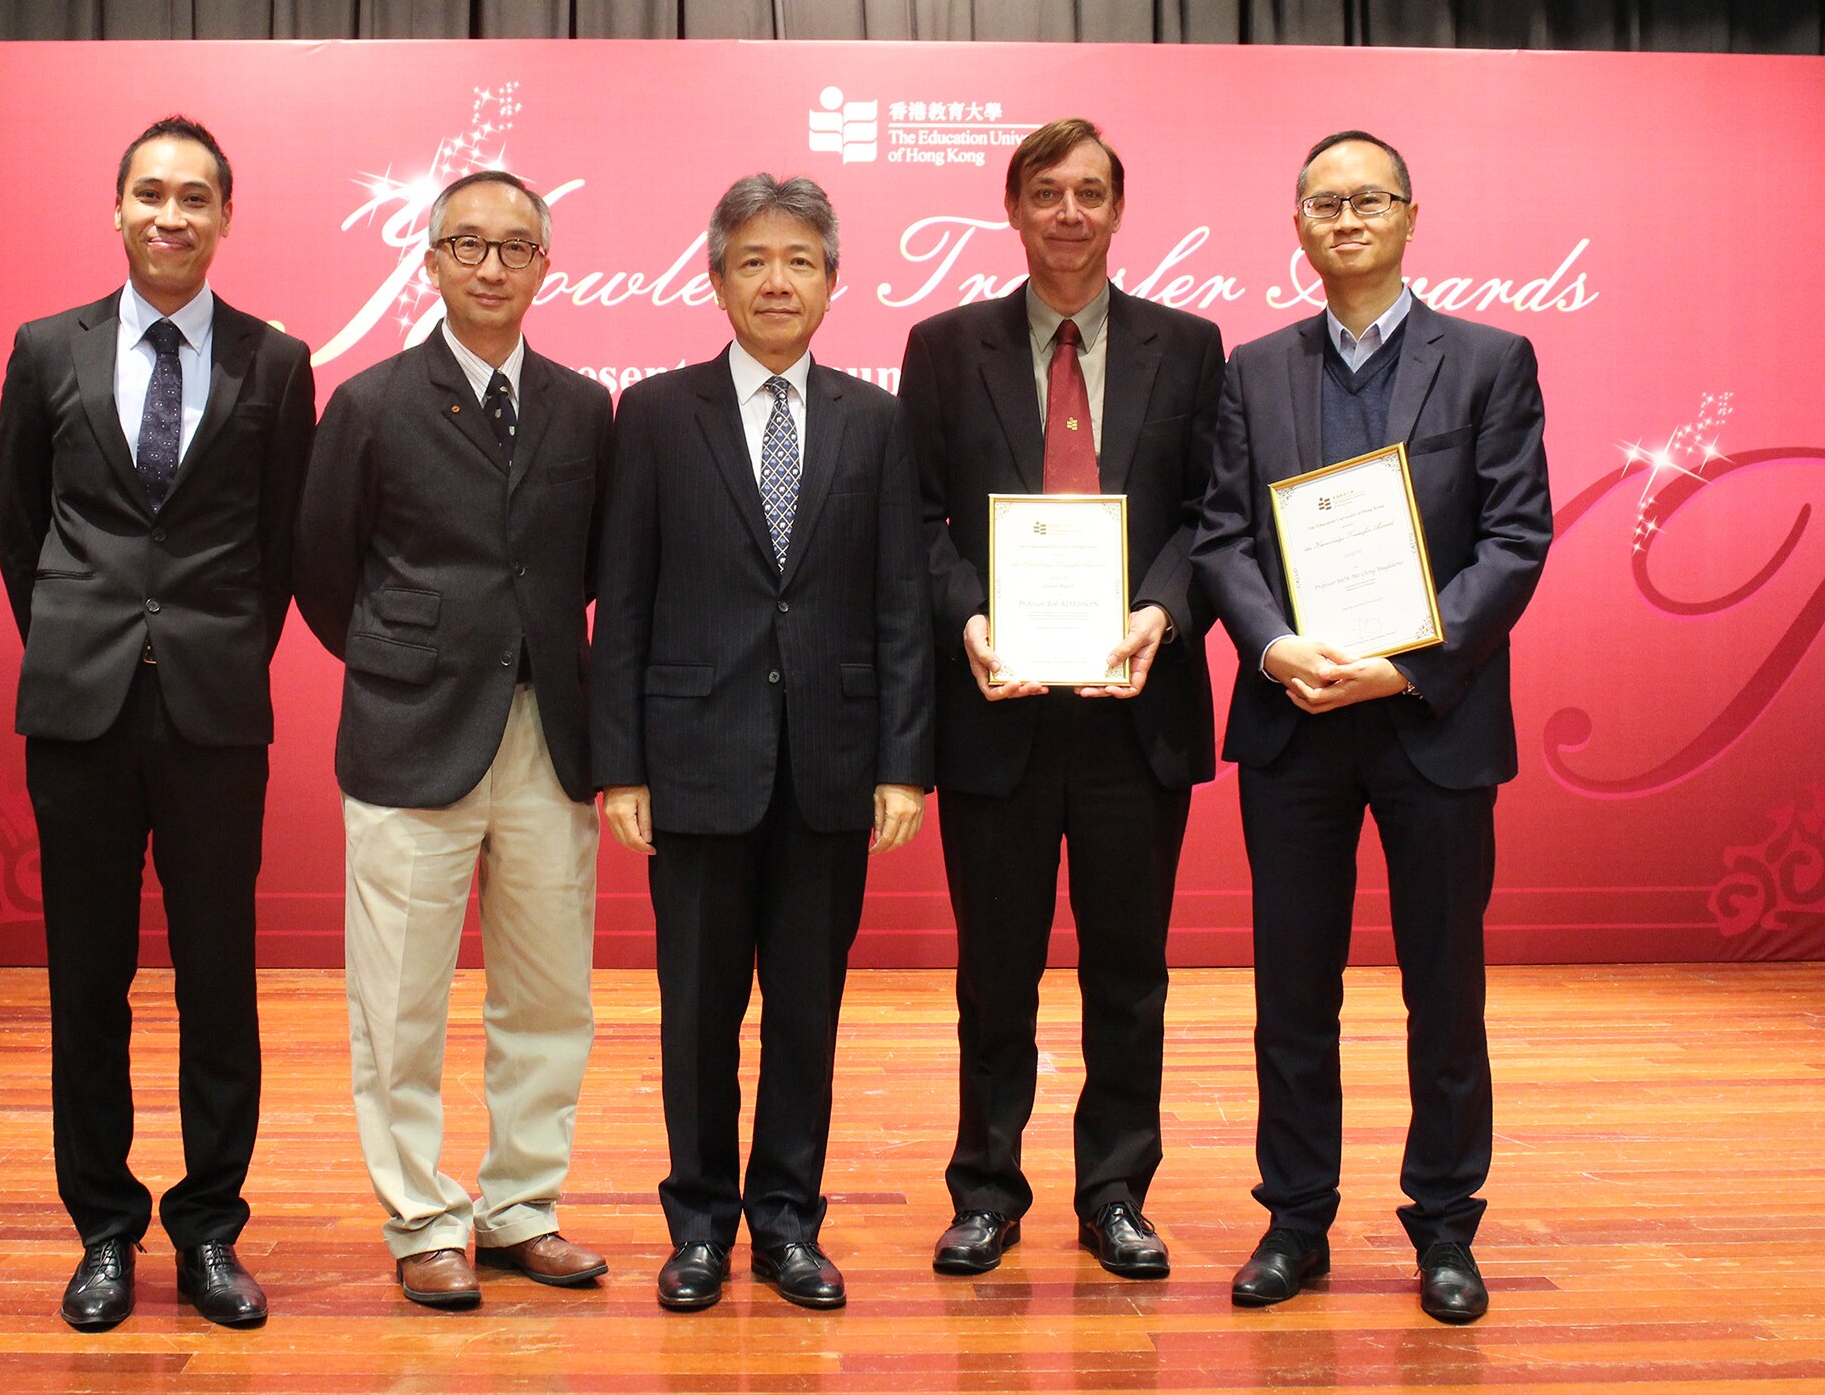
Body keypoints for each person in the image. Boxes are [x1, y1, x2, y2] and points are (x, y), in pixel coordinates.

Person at [1192, 130, 1553, 1324]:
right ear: (1294, 227)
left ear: (1407, 215)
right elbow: (1222, 539)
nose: (1345, 218)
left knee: (1441, 991)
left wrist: (1402, 666)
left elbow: (1514, 540)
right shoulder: (1251, 369)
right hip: (1293, 718)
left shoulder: (1491, 360)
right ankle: (1295, 1222)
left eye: (1368, 199)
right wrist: (1271, 645)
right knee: (1292, 990)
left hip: (1428, 722)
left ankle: (1444, 1226)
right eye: (1322, 203)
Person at [0, 116, 315, 1330]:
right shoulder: (45, 348)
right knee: (89, 980)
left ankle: (211, 1230)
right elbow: (19, 522)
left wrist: (215, 646)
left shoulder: (274, 361)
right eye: (149, 193)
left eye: (194, 197)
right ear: (117, 208)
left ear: (227, 216)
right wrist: (80, 636)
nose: (169, 215)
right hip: (77, 709)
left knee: (217, 983)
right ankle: (104, 1231)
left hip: (214, 711)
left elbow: (280, 541)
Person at [591, 173, 932, 1312]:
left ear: (833, 281)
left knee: (805, 1005)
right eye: (753, 259)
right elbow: (622, 601)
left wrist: (901, 761)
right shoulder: (651, 413)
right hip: (691, 760)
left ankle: (789, 1221)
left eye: (799, 260)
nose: (776, 280)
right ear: (715, 278)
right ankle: (697, 1226)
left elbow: (897, 603)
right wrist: (621, 761)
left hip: (832, 763)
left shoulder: (876, 421)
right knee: (694, 1012)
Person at [897, 119, 1223, 1279]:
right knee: (995, 968)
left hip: (1138, 710)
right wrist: (969, 623)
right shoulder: (943, 347)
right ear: (1013, 207)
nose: (1070, 212)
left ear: (1117, 209)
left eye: (1090, 192)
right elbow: (920, 518)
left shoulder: (1188, 347)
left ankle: (1116, 1189)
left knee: (1127, 970)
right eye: (1048, 192)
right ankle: (985, 1188)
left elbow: (1205, 516)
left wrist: (1159, 614)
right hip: (996, 703)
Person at [293, 170, 614, 1309]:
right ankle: (422, 1216)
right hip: (411, 731)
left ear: (544, 266)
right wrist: (410, 652)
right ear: (428, 263)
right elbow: (324, 572)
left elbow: (593, 571)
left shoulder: (585, 409)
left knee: (547, 992)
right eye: (467, 246)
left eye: (514, 248)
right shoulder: (371, 404)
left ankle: (522, 1204)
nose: (490, 266)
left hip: (548, 735)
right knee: (399, 999)